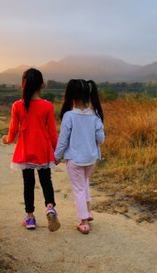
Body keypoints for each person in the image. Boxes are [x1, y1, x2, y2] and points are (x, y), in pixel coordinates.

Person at [2, 68, 60, 232]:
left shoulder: (17, 105)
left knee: (28, 184)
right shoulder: (47, 106)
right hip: (43, 150)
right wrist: (57, 152)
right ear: (42, 85)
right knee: (46, 181)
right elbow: (52, 132)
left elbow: (13, 130)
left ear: (23, 84)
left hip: (25, 150)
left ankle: (30, 217)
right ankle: (50, 207)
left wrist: (7, 140)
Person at [54, 79, 105, 234]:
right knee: (84, 183)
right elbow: (101, 139)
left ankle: (83, 221)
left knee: (78, 189)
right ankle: (88, 212)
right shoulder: (95, 115)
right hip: (91, 159)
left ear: (71, 96)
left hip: (75, 159)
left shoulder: (69, 116)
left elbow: (62, 140)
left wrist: (57, 156)